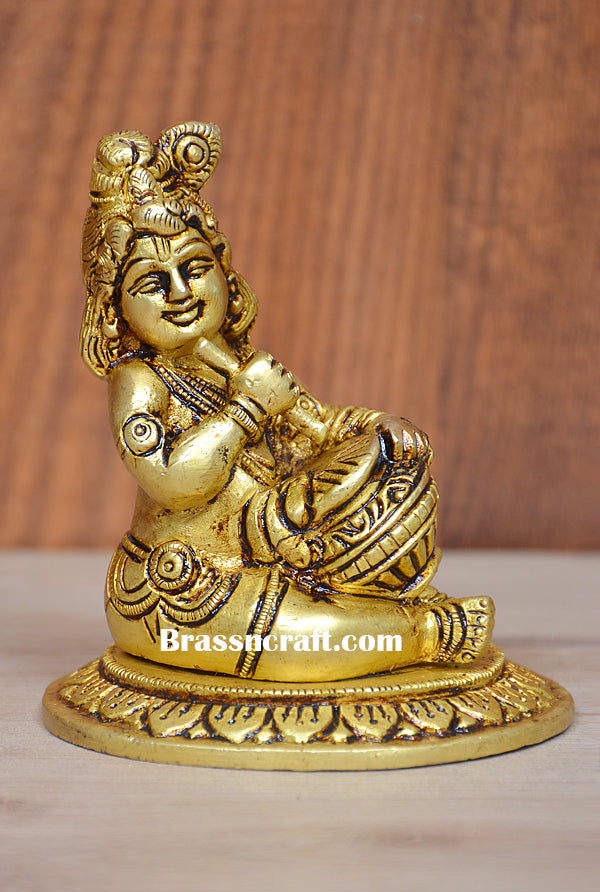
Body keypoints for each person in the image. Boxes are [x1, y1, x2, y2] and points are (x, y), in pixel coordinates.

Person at [80, 121, 494, 681]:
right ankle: (422, 632)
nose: (181, 292)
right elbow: (174, 482)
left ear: (226, 276)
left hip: (271, 549)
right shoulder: (138, 380)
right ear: (114, 309)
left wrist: (375, 428)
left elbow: (315, 424)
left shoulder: (237, 361)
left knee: (379, 465)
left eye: (196, 268)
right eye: (152, 283)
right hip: (183, 591)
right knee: (305, 639)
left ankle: (381, 605)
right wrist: (246, 408)